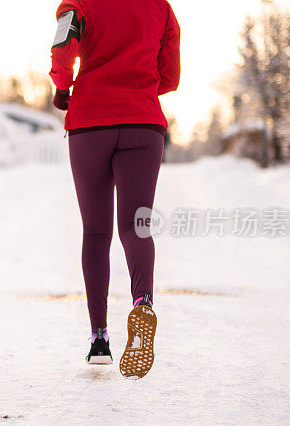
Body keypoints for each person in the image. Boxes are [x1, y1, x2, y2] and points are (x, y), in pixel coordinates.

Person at [49, 0, 180, 379]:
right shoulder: (162, 8)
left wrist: (63, 87)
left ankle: (99, 339)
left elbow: (62, 48)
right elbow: (169, 78)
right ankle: (143, 301)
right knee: (137, 225)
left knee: (96, 231)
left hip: (90, 121)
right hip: (143, 123)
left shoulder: (79, 3)